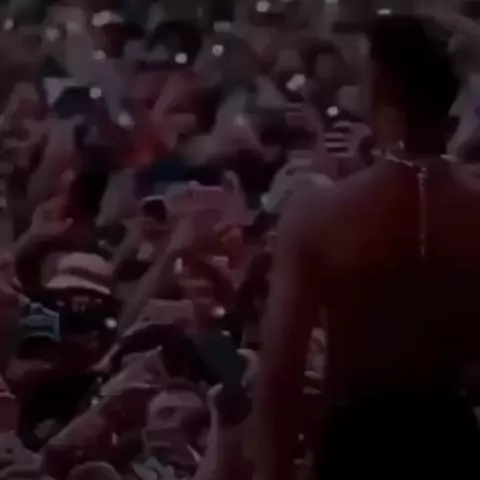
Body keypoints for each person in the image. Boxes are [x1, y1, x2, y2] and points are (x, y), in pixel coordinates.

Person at [255, 14, 480, 480]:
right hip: (453, 441)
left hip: (354, 446)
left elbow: (280, 376)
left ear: (377, 86)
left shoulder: (320, 214)